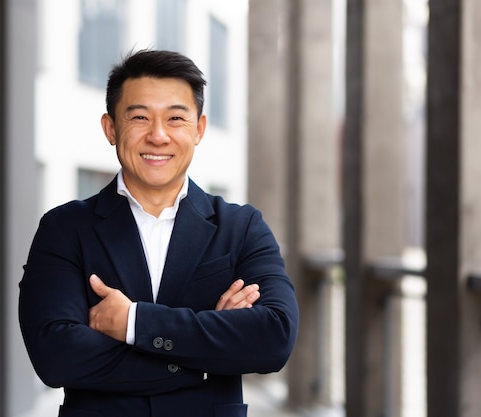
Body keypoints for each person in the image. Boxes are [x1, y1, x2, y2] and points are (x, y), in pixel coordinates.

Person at [18, 49, 298, 417]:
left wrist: (133, 322)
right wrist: (207, 357)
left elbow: (274, 337)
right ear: (111, 128)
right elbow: (56, 357)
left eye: (176, 118)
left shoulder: (241, 227)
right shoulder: (65, 228)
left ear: (198, 129)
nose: (158, 135)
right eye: (139, 117)